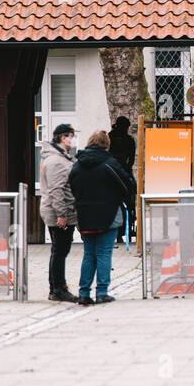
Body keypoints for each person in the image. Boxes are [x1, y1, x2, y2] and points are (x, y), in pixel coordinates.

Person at [69, 130, 137, 305]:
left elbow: (72, 188)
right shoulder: (109, 164)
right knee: (104, 253)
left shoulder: (77, 165)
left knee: (89, 254)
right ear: (107, 144)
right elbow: (126, 185)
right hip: (108, 214)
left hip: (84, 215)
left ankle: (84, 293)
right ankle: (101, 292)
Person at [39, 123, 78, 302]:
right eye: (71, 136)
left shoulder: (60, 158)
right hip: (59, 212)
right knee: (60, 250)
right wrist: (62, 214)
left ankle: (57, 286)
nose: (72, 139)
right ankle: (57, 288)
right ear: (63, 137)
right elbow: (56, 189)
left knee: (60, 250)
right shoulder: (56, 161)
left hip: (60, 210)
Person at [109, 116, 137, 245]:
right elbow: (131, 160)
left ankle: (115, 234)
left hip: (110, 173)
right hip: (124, 173)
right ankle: (127, 227)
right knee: (129, 200)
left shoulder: (109, 137)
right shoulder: (129, 140)